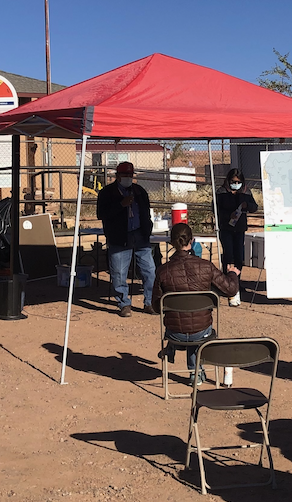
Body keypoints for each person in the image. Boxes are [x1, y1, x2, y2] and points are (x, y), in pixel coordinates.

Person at [151, 223, 240, 383]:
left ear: (171, 243)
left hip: (174, 332)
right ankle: (196, 373)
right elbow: (231, 289)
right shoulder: (206, 266)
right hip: (201, 330)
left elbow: (157, 307)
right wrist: (232, 274)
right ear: (192, 241)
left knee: (186, 324)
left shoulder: (163, 271)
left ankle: (176, 352)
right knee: (196, 327)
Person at [96, 161, 156, 318]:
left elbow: (146, 213)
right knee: (119, 272)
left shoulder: (139, 191)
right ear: (117, 176)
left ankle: (149, 302)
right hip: (119, 236)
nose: (128, 178)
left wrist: (147, 229)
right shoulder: (107, 193)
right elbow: (102, 214)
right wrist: (120, 205)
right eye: (125, 175)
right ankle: (124, 303)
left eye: (130, 175)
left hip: (140, 235)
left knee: (149, 270)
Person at [215, 168, 257, 307]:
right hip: (226, 228)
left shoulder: (246, 191)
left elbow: (254, 207)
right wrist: (228, 216)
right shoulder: (221, 192)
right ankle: (226, 283)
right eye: (233, 182)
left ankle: (236, 282)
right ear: (228, 180)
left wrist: (247, 205)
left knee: (239, 256)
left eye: (238, 182)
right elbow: (216, 209)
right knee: (228, 254)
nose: (236, 184)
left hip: (239, 229)